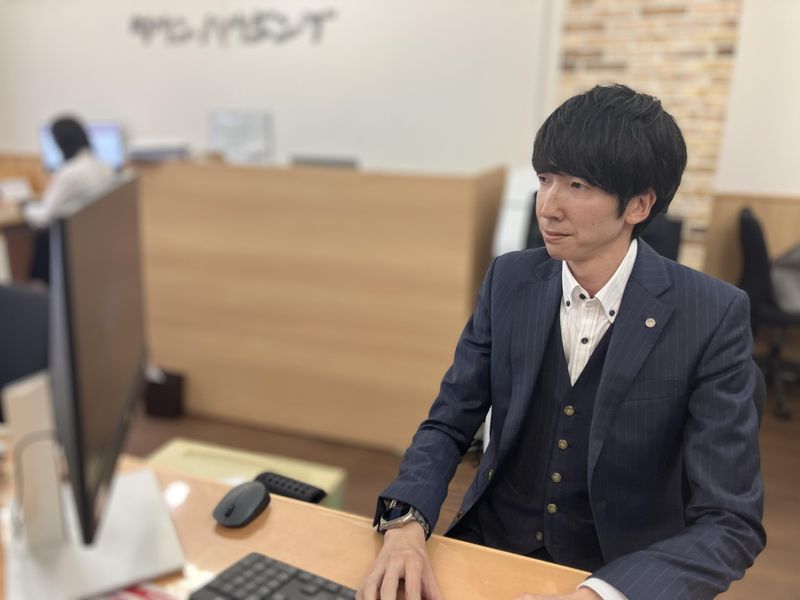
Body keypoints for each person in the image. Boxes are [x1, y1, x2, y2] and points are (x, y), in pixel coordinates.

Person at [358, 84, 765, 600]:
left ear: (639, 204)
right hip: (490, 548)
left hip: (619, 573)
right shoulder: (509, 280)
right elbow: (448, 422)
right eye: (544, 179)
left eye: (577, 185)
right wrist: (405, 522)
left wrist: (599, 595)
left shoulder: (710, 314)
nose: (547, 207)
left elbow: (730, 521)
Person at [23, 116, 113, 282]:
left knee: (43, 238)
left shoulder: (70, 173)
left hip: (74, 243)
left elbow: (44, 218)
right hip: (98, 241)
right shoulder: (103, 167)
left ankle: (37, 289)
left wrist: (23, 208)